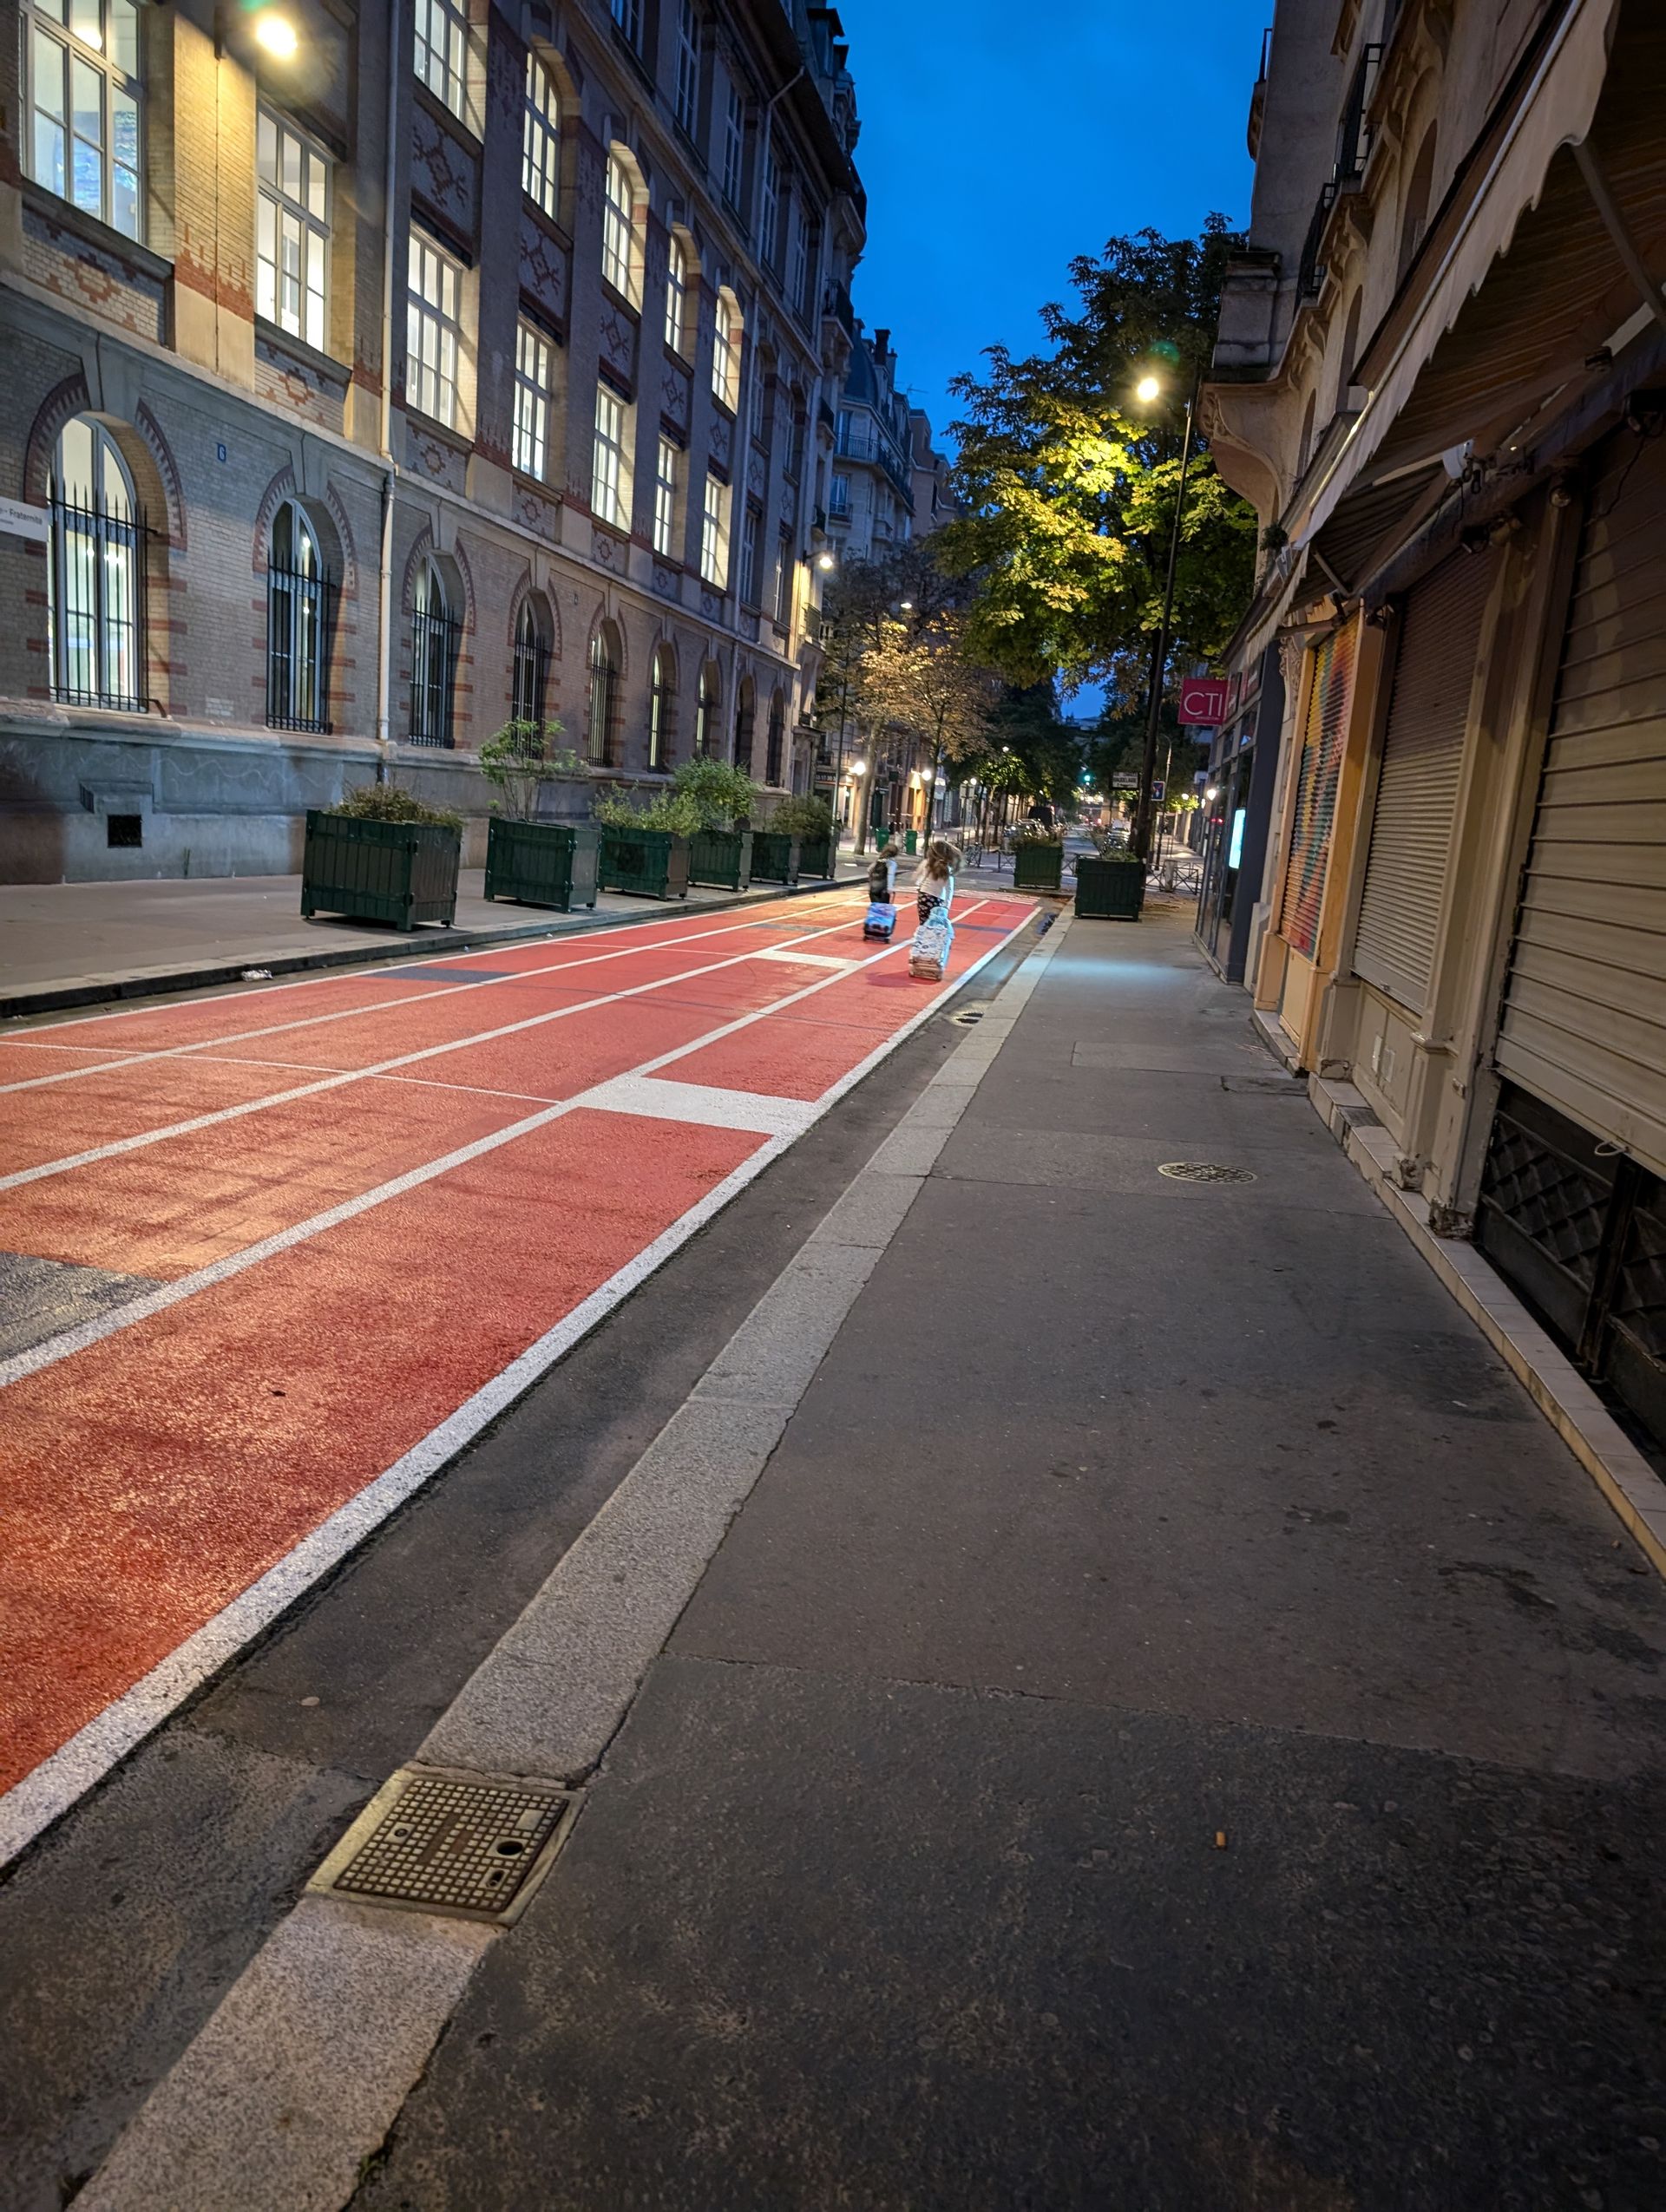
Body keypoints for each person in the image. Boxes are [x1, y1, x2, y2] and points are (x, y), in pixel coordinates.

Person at [914, 837, 960, 926]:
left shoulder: (927, 863)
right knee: (936, 926)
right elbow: (949, 889)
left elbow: (918, 878)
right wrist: (946, 907)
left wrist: (920, 886)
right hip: (937, 899)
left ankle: (922, 938)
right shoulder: (946, 868)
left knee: (924, 923)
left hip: (923, 896)